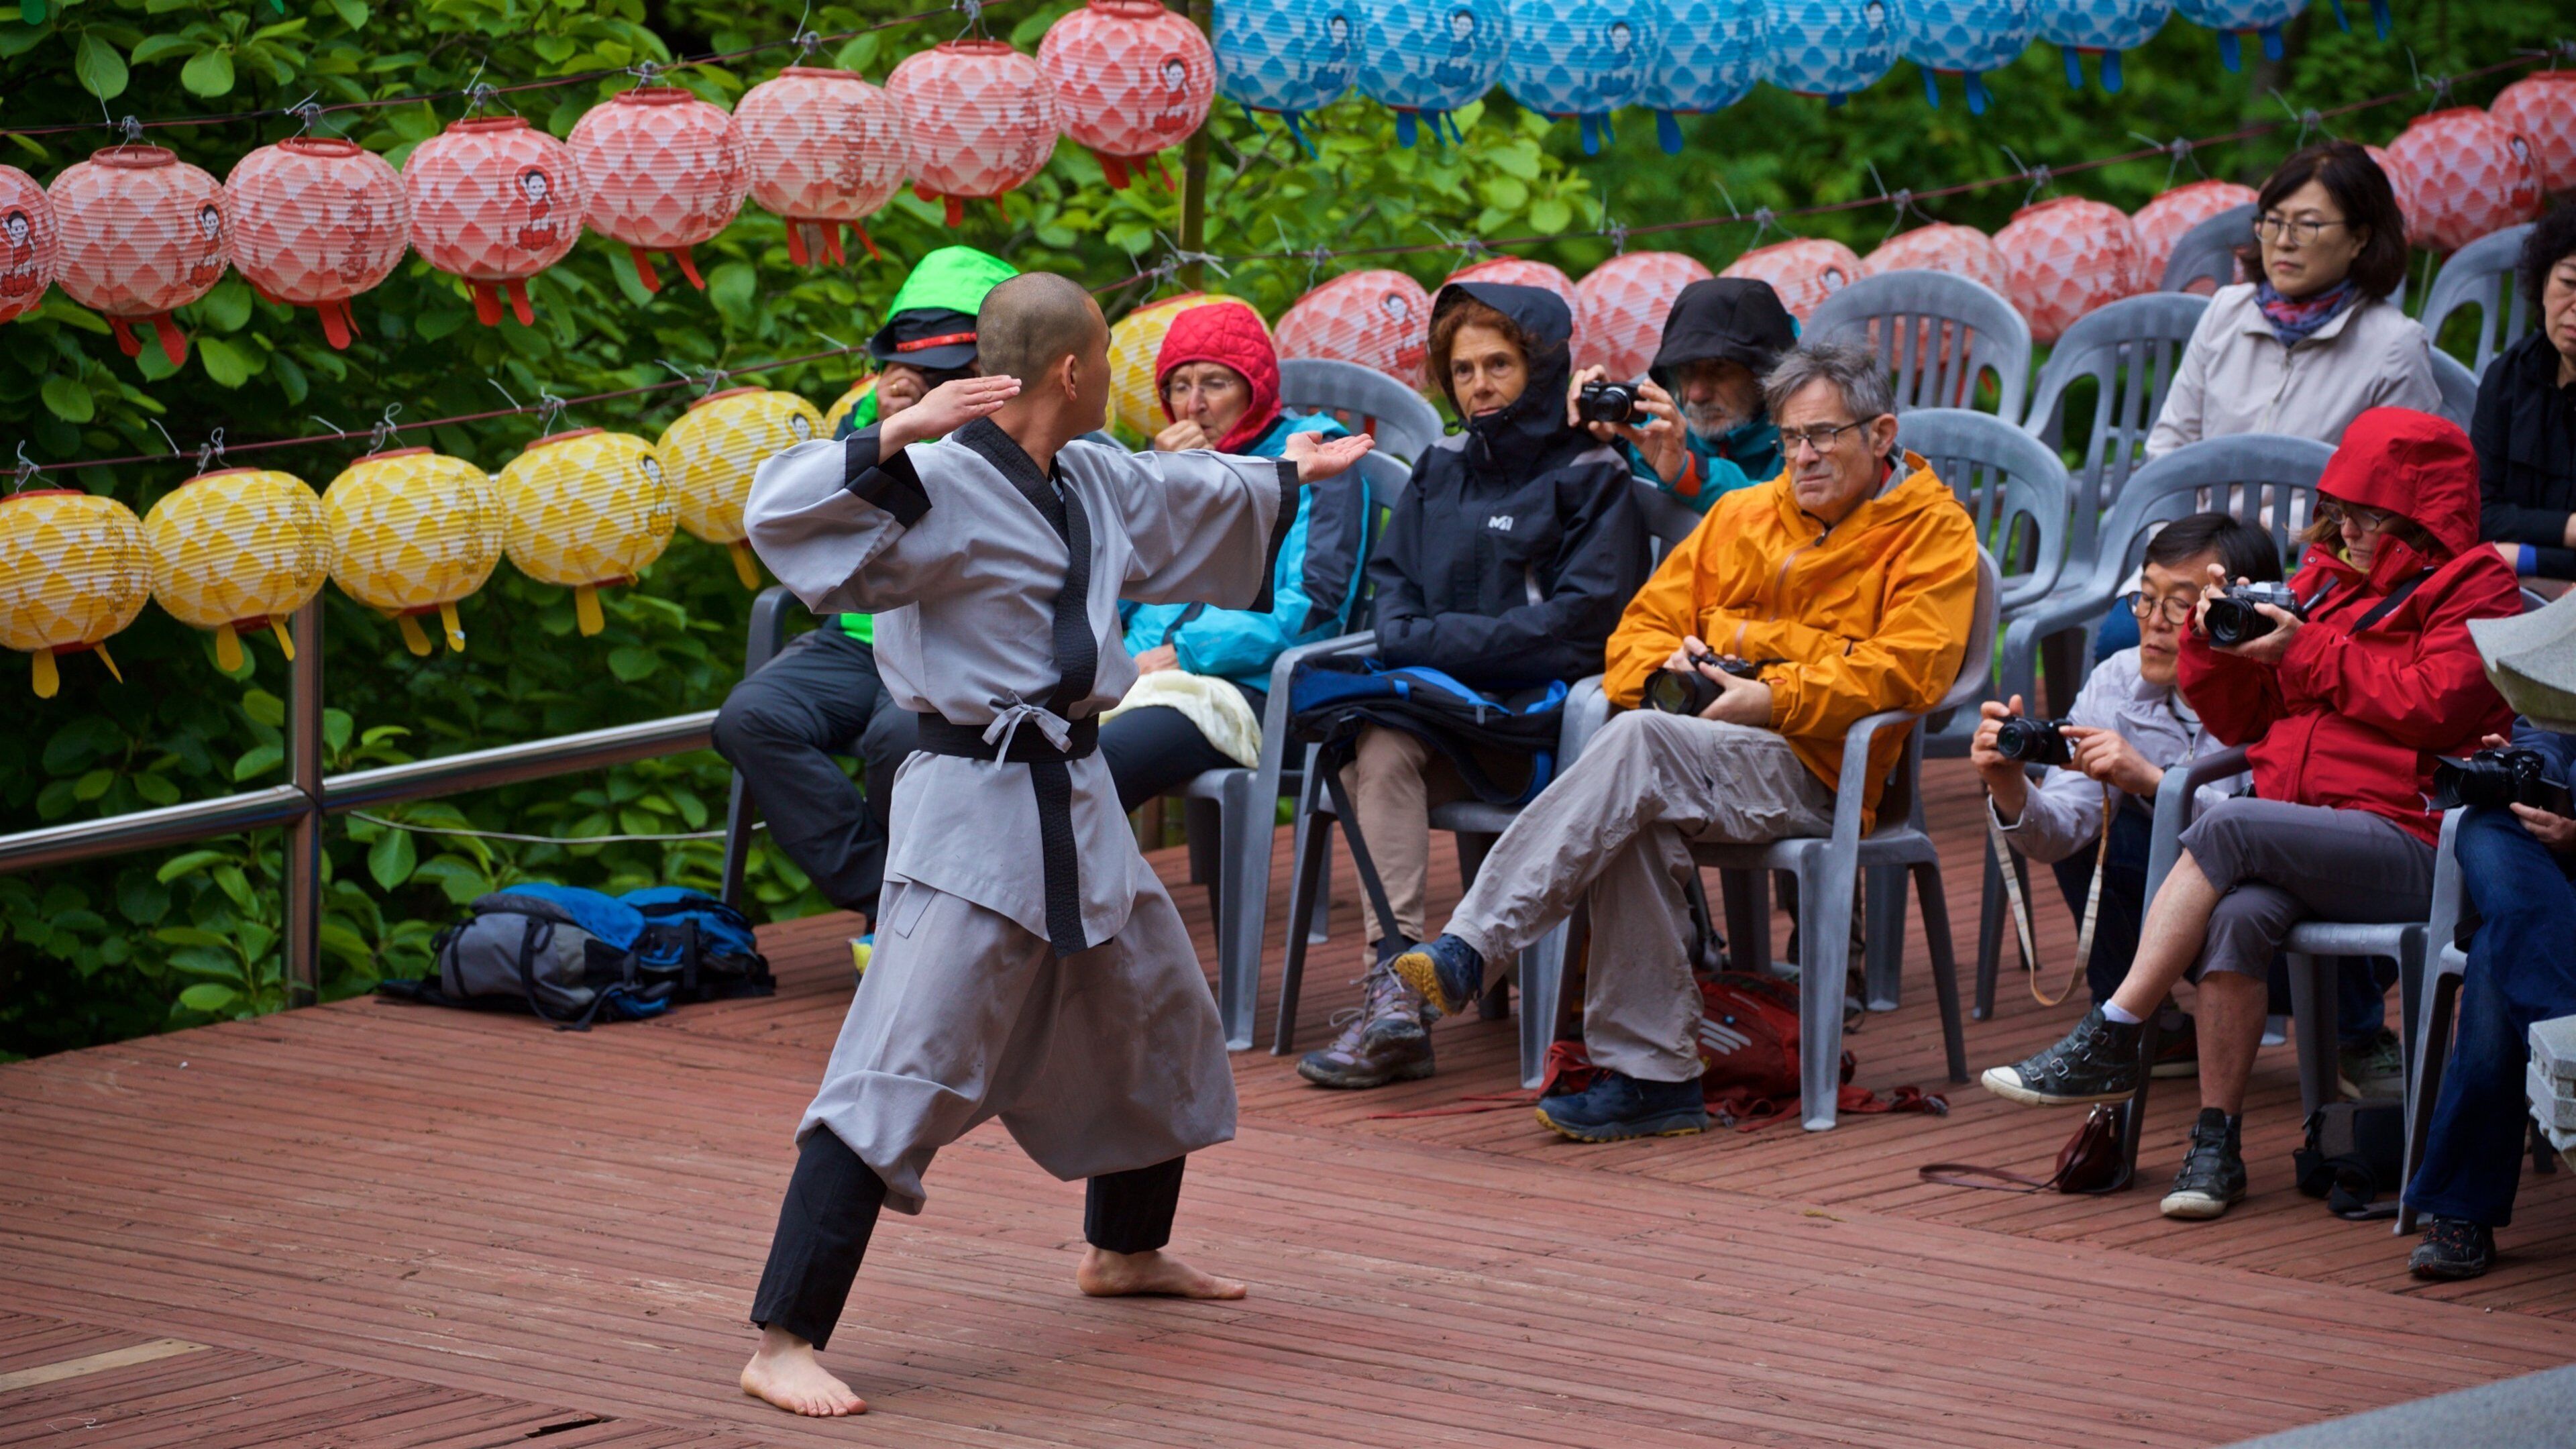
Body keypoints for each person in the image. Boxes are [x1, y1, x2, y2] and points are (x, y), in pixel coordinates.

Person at [733, 272, 1375, 1417]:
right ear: (1073, 371)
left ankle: (1123, 1251)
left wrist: (1291, 473)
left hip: (1072, 795)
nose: (1123, 386)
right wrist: (893, 432)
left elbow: (1183, 494)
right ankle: (784, 1334)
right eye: (1109, 366)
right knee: (901, 1064)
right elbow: (778, 515)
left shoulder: (1088, 471)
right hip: (971, 810)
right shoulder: (932, 478)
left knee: (1155, 1012)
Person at [1389, 338, 1982, 1140]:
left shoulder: (1932, 533)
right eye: (1790, 439)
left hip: (1822, 766)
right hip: (1699, 753)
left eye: (1823, 437)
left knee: (1636, 748)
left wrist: (1771, 689)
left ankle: (1473, 944)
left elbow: (1907, 672)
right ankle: (1655, 1077)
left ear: (1880, 435)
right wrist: (1675, 665)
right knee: (1633, 799)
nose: (1802, 457)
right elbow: (1631, 636)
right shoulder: (1742, 514)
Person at [1982, 407, 2522, 1222]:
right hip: (2309, 833)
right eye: (2339, 512)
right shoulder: (2323, 583)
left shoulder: (2480, 587)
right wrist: (2212, 641)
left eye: (2365, 515)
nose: (2346, 529)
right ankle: (2214, 1146)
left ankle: (2115, 1028)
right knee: (2236, 917)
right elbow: (2245, 725)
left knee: (2227, 825)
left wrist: (2302, 649)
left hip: (2417, 840)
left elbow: (2435, 703)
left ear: (2419, 513)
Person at [1293, 281, 1648, 1091]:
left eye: (1499, 364)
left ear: (1541, 367)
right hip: (1438, 709)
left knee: (1383, 740)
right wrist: (1427, 645)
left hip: (1545, 729)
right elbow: (1394, 593)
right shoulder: (1440, 465)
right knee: (1373, 748)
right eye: (1462, 370)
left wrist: (1440, 645)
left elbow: (1579, 627)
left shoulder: (1593, 473)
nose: (1479, 384)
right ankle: (1399, 996)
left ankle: (1413, 990)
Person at [712, 248, 1015, 971]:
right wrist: (890, 429)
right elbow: (822, 526)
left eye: (955, 367)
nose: (939, 382)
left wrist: (937, 428)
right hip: (856, 632)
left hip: (954, 633)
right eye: (922, 364)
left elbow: (966, 525)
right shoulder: (867, 408)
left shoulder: (1019, 410)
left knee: (896, 737)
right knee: (750, 720)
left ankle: (918, 908)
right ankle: (888, 896)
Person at [1973, 514, 2272, 1069]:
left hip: (2270, 934)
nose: (2153, 625)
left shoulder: (2282, 688)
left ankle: (2354, 1036)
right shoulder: (2116, 677)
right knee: (2101, 824)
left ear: (2237, 614)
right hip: (2177, 926)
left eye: (2180, 607)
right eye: (2144, 599)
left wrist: (2159, 786)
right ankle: (2134, 1026)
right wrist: (2009, 785)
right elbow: (2062, 833)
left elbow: (2277, 837)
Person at [1104, 298, 1368, 808]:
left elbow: (1318, 602)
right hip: (1139, 677)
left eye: (1215, 384)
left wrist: (1187, 651)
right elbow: (1113, 584)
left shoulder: (1314, 458)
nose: (1193, 405)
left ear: (1256, 388)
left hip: (1249, 687)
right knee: (1018, 750)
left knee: (1096, 765)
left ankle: (1077, 889)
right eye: (1180, 387)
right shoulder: (1176, 465)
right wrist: (1160, 486)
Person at [2402, 716, 2576, 1280]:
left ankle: (2461, 1209)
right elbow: (2547, 727)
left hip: (2554, 878)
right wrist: (2526, 771)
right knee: (2485, 824)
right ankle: (2564, 1031)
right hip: (2548, 879)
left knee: (2504, 953)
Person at [2145, 141, 2439, 462]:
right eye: (2273, 222)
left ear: (2359, 238)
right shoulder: (2226, 312)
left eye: (2308, 226)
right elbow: (2167, 450)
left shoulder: (2394, 347)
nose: (2284, 242)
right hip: (2201, 513)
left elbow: (2393, 492)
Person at [1564, 276, 1794, 515]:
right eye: (1685, 370)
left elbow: (1794, 507)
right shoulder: (1657, 427)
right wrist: (1594, 434)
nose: (1696, 394)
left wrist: (1690, 474)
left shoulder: (1812, 428)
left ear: (1767, 373)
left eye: (1718, 368)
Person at [2475, 203, 2576, 584]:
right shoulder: (2508, 378)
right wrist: (2569, 529)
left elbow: (2494, 548)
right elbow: (2480, 515)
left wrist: (2523, 555)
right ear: (2544, 283)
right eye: (2569, 283)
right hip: (2507, 588)